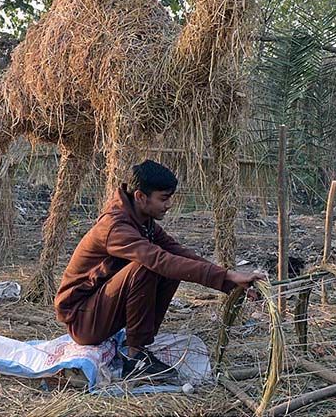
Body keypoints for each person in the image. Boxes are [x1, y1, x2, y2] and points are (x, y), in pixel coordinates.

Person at [54, 160, 263, 381]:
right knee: (148, 267)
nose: (169, 204)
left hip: (99, 313)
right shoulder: (116, 226)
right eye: (163, 198)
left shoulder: (143, 221)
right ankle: (136, 357)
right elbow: (159, 260)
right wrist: (226, 276)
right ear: (140, 197)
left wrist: (230, 280)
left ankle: (139, 347)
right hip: (83, 321)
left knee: (171, 266)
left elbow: (178, 253)